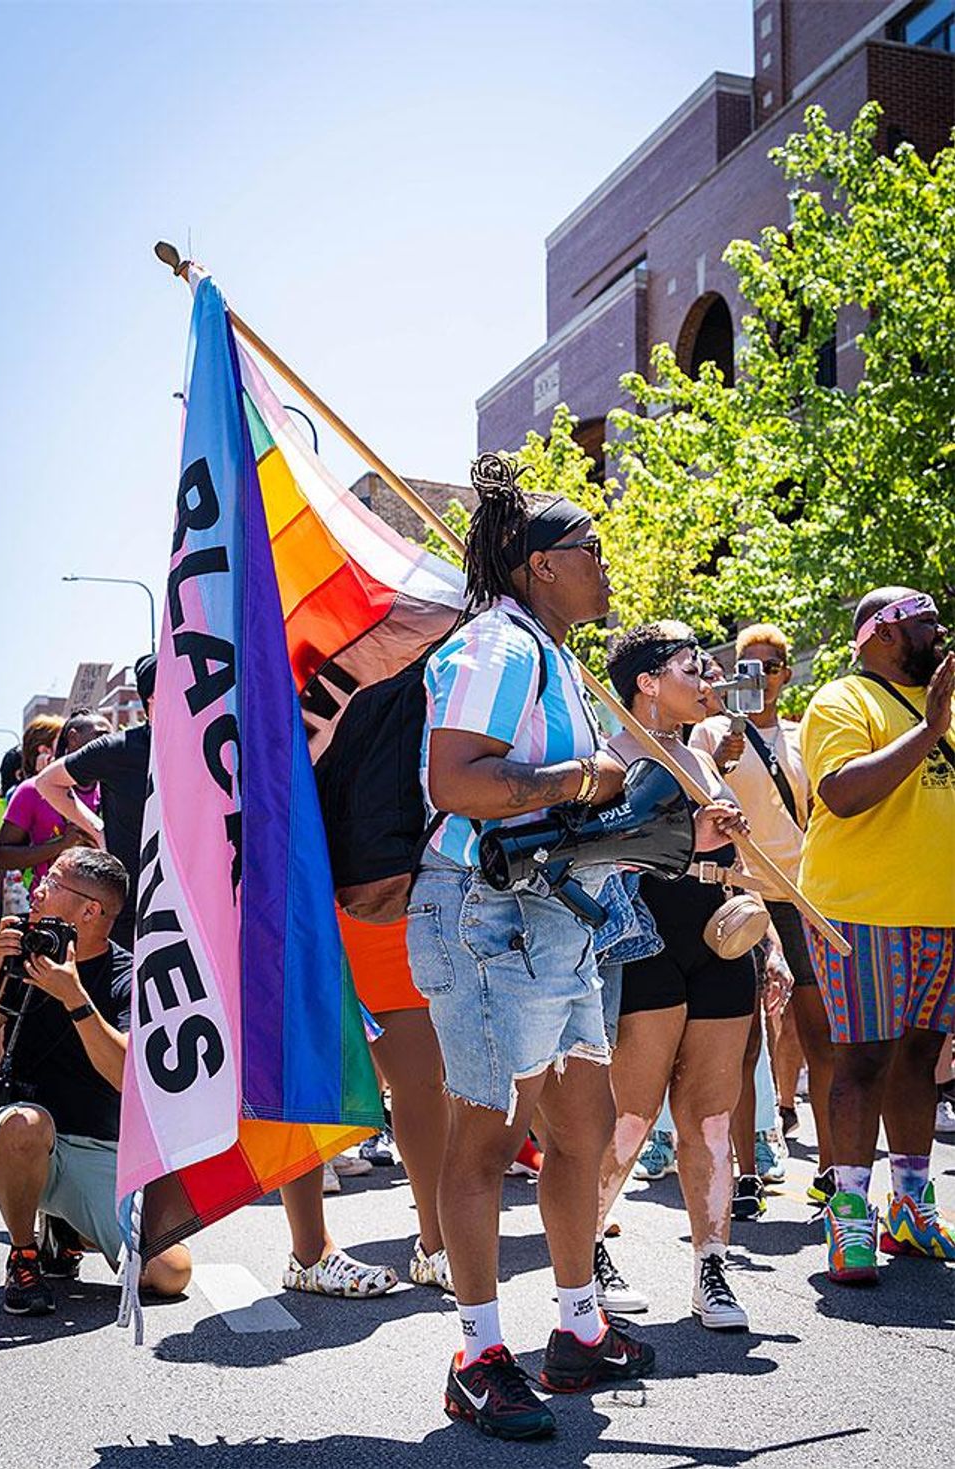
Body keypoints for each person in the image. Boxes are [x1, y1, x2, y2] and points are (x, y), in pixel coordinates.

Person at [408, 453, 653, 1442]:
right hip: (480, 912)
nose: (605, 563)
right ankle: (473, 1355)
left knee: (579, 1122)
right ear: (539, 564)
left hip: (553, 917)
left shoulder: (547, 653)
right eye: (589, 549)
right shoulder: (494, 649)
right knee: (484, 1131)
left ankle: (576, 1328)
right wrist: (583, 777)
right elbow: (456, 782)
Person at [596, 622, 757, 1331]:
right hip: (645, 930)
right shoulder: (608, 756)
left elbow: (737, 859)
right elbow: (602, 849)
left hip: (720, 927)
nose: (709, 681)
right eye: (695, 667)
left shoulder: (700, 753)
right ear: (648, 681)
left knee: (712, 1116)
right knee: (629, 1114)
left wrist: (772, 947)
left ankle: (712, 1265)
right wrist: (694, 832)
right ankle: (590, 1245)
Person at [798, 587, 955, 1284]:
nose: (939, 629)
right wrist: (929, 728)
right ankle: (850, 1215)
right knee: (863, 1060)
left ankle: (911, 1205)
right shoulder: (841, 701)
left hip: (939, 910)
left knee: (921, 1058)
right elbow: (840, 792)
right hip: (859, 911)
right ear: (883, 633)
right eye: (925, 621)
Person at [0, 847, 191, 1315]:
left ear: (90, 910)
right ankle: (24, 1254)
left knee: (171, 1273)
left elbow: (126, 1076)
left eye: (50, 883)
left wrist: (74, 997)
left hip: (95, 1148)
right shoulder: (23, 954)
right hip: (13, 1136)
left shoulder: (129, 976)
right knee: (27, 1126)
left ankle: (66, 1227)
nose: (35, 891)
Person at [691, 623, 835, 1207]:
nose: (761, 678)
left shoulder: (804, 738)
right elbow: (699, 802)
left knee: (818, 1029)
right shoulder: (710, 734)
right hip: (738, 891)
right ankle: (746, 1172)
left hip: (801, 896)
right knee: (743, 1038)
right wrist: (725, 754)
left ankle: (832, 1169)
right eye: (747, 668)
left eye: (771, 667)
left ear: (787, 673)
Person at [336, 910, 451, 1288]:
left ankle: (436, 1247)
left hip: (407, 893)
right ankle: (308, 1253)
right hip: (325, 886)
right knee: (304, 1064)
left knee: (424, 1081)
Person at [37, 654, 157, 948]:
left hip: (194, 896)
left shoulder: (206, 744)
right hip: (129, 903)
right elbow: (47, 782)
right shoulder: (120, 748)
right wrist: (96, 828)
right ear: (153, 699)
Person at [0, 711, 109, 899]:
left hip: (99, 910)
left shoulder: (111, 789)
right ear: (73, 738)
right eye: (100, 736)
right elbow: (0, 857)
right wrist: (62, 844)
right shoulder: (32, 790)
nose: (108, 742)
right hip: (46, 908)